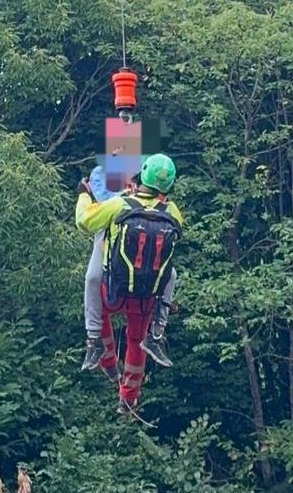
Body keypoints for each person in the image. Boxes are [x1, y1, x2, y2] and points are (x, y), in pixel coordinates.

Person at [75, 153, 183, 413]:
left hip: (114, 291)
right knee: (138, 341)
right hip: (146, 296)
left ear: (142, 174)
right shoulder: (173, 212)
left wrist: (84, 195)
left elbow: (85, 222)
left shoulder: (121, 205)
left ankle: (102, 355)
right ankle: (130, 396)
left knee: (96, 302)